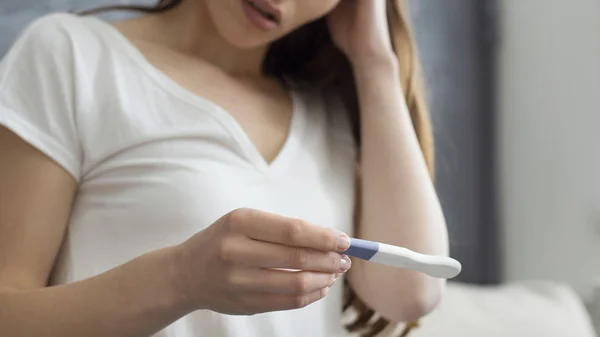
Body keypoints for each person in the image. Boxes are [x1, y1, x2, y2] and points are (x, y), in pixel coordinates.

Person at [0, 0, 449, 336]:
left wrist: (374, 60)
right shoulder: (71, 56)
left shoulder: (328, 114)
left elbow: (413, 291)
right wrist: (180, 279)